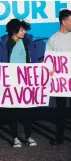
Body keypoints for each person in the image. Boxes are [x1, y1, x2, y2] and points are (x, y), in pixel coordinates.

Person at [0, 18, 38, 148]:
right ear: (14, 31)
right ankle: (15, 137)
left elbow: (34, 58)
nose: (24, 32)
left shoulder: (27, 40)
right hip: (11, 81)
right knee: (12, 111)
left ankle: (28, 136)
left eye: (24, 29)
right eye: (21, 30)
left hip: (26, 80)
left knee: (28, 111)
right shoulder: (4, 42)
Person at [46, 9, 71, 146]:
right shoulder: (53, 39)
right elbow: (48, 60)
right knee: (60, 111)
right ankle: (59, 137)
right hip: (60, 83)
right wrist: (50, 70)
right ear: (64, 22)